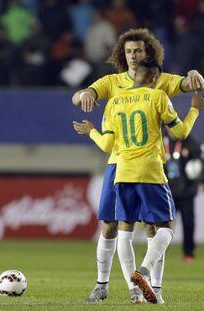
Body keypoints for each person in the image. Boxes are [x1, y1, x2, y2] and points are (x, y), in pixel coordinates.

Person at [71, 28, 204, 304]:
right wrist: (84, 93)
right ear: (123, 54)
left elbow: (190, 83)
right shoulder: (112, 82)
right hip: (129, 165)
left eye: (138, 51)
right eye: (129, 51)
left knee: (135, 228)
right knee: (114, 225)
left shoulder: (158, 81)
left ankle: (151, 288)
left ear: (148, 54)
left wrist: (195, 74)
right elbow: (81, 96)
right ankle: (109, 285)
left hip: (128, 167)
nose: (133, 56)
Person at [163, 128, 202, 262]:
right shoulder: (159, 140)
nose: (172, 130)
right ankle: (158, 252)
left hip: (186, 192)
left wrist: (200, 181)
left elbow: (199, 164)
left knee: (188, 223)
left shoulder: (189, 142)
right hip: (166, 192)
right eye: (169, 126)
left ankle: (188, 252)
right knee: (162, 224)